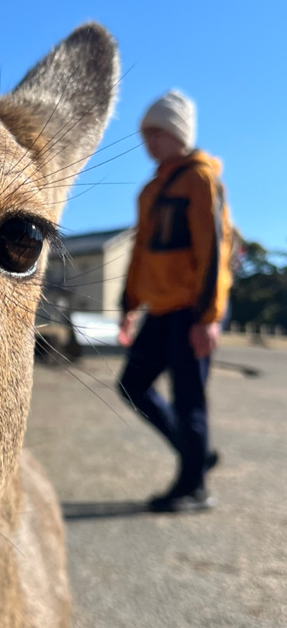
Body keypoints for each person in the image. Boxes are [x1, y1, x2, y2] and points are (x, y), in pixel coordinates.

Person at [118, 90, 233, 513]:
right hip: (159, 309)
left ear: (177, 134)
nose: (149, 142)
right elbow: (140, 251)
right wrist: (128, 304)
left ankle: (193, 487)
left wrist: (208, 317)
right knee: (132, 386)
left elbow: (214, 251)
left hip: (192, 309)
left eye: (157, 133)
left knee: (188, 401)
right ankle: (195, 456)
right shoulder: (150, 189)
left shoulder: (201, 178)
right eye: (146, 134)